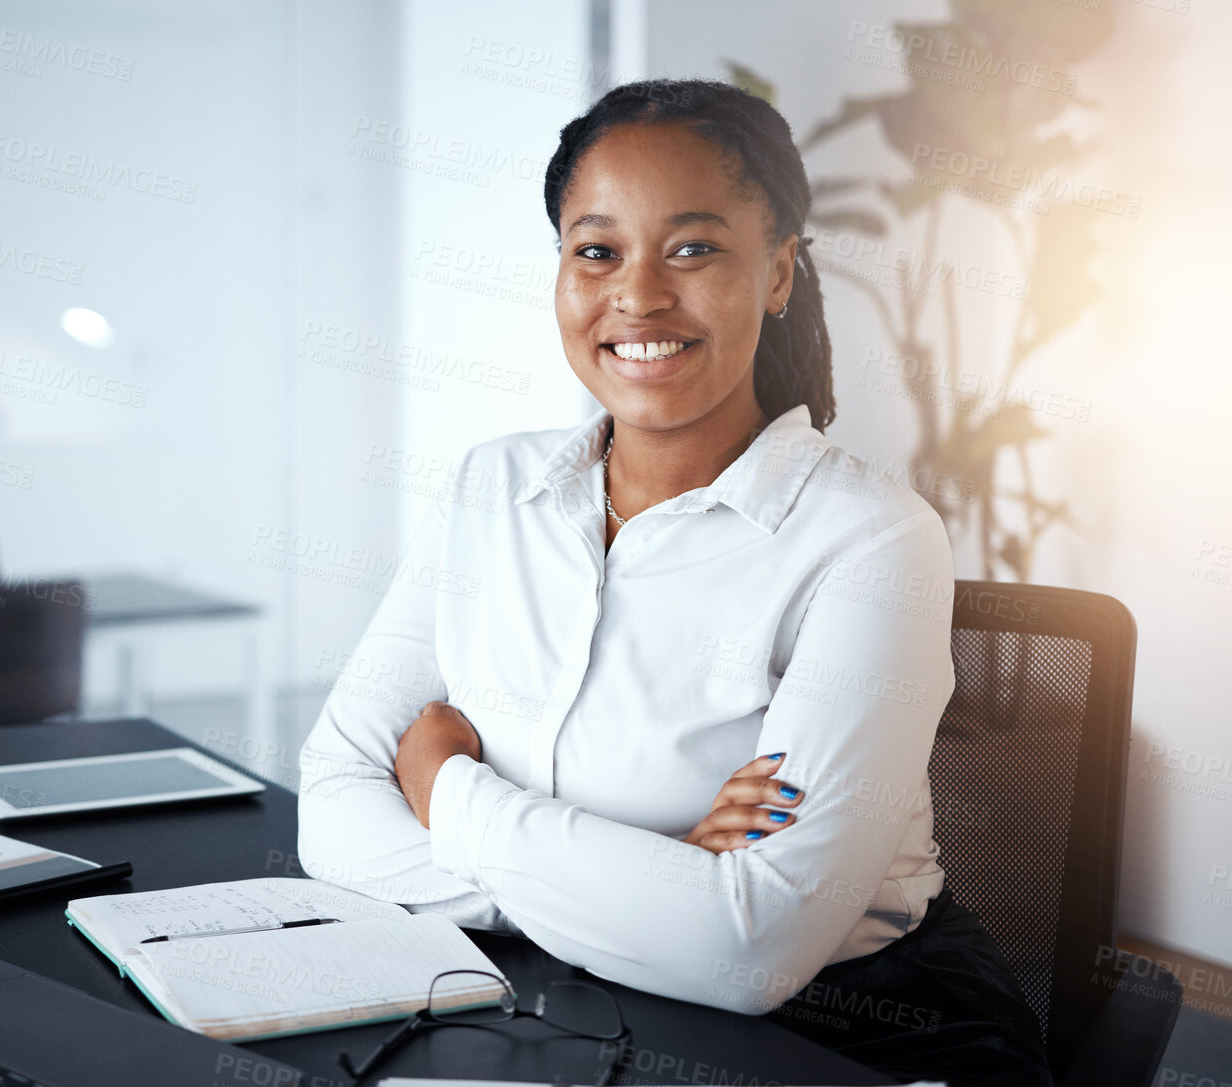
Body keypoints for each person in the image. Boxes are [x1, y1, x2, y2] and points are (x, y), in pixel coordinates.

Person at [296, 77, 1050, 1087]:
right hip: (556, 997)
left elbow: (750, 953)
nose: (639, 296)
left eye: (693, 248)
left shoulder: (874, 541)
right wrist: (664, 875)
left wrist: (445, 791)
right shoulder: (491, 488)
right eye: (596, 250)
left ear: (779, 270)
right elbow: (330, 815)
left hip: (851, 1033)